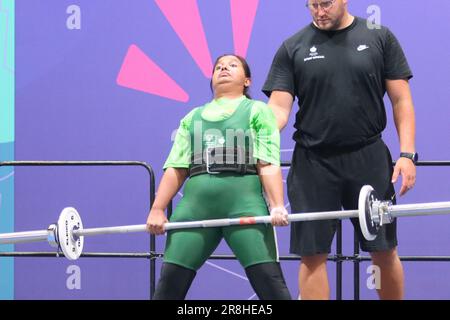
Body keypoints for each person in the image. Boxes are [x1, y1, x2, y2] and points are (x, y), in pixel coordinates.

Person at [262, 0, 416, 300]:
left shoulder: (379, 37)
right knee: (312, 254)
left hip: (368, 157)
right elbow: (279, 108)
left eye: (326, 4)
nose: (319, 11)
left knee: (384, 250)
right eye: (312, 5)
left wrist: (407, 154)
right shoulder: (293, 46)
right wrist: (258, 131)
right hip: (312, 162)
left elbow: (402, 100)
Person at [146, 54, 292, 300]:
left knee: (271, 288)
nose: (224, 68)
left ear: (247, 80)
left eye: (232, 65)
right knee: (167, 290)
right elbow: (176, 168)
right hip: (194, 208)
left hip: (245, 206)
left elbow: (267, 163)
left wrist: (277, 205)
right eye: (218, 67)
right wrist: (158, 209)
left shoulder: (258, 110)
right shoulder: (191, 117)